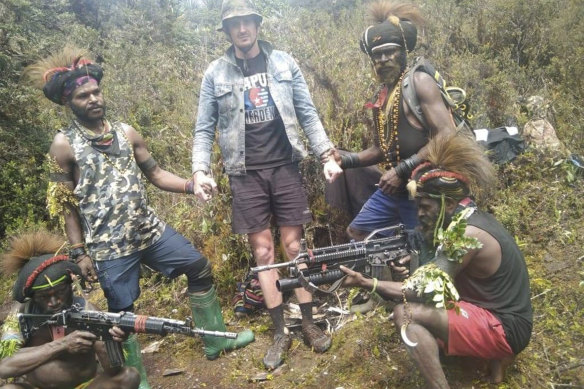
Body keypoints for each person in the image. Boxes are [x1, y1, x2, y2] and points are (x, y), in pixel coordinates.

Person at [24, 47, 254, 389]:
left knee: (198, 266)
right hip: (109, 246)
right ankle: (135, 378)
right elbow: (65, 204)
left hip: (149, 231)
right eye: (83, 96)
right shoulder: (64, 145)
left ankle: (216, 340)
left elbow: (157, 174)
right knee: (121, 314)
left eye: (96, 92)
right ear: (69, 102)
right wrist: (79, 253)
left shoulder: (126, 133)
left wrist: (193, 185)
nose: (93, 99)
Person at [191, 0, 343, 370]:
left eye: (247, 22)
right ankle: (280, 333)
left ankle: (307, 321)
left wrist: (326, 156)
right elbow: (203, 127)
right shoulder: (216, 73)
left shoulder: (283, 63)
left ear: (257, 26)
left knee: (296, 246)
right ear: (227, 31)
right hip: (245, 173)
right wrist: (199, 171)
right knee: (263, 254)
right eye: (234, 24)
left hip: (284, 167)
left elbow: (307, 112)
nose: (242, 29)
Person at [340, 134, 533, 388]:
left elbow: (419, 292)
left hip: (506, 328)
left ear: (449, 204)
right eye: (418, 206)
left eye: (426, 207)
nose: (419, 214)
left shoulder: (464, 234)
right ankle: (490, 360)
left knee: (407, 314)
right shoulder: (468, 218)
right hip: (503, 317)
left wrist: (369, 283)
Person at [334, 1, 455, 241]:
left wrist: (401, 170)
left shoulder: (419, 82)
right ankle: (397, 260)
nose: (384, 59)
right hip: (395, 186)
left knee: (423, 245)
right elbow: (380, 150)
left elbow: (447, 133)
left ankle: (409, 259)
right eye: (377, 54)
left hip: (425, 186)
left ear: (403, 51)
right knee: (358, 232)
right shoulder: (380, 96)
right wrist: (344, 161)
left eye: (391, 51)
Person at [0, 231, 140, 389]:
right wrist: (62, 344)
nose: (54, 302)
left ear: (70, 286)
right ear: (32, 297)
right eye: (44, 297)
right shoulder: (19, 315)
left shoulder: (87, 311)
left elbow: (115, 371)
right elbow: (4, 367)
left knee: (128, 377)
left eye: (60, 292)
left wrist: (110, 341)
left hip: (86, 386)